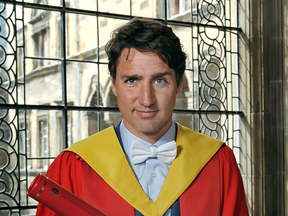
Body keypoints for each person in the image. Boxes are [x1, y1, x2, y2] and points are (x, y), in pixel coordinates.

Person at [36, 17, 249, 216]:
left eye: (160, 81)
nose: (147, 100)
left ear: (178, 84)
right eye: (131, 81)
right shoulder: (72, 167)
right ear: (114, 85)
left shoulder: (218, 162)